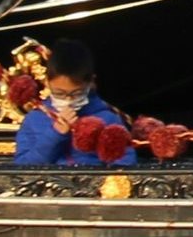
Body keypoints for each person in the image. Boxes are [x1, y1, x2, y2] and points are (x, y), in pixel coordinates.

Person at [11, 41, 143, 168]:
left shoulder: (108, 118)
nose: (68, 100)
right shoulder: (34, 119)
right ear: (47, 82)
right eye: (59, 93)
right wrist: (55, 134)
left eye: (76, 93)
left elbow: (125, 165)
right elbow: (23, 167)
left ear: (91, 82)